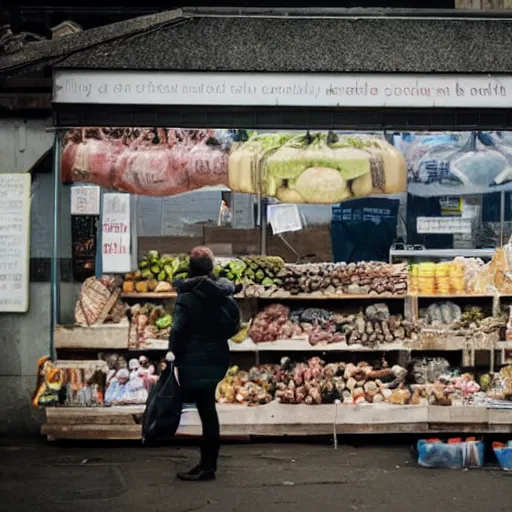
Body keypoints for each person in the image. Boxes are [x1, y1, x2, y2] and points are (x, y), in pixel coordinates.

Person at [166, 246, 241, 482]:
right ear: (211, 270)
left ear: (190, 270)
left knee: (204, 410)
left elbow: (177, 330)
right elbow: (234, 325)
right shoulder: (223, 295)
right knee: (208, 410)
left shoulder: (186, 298)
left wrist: (172, 354)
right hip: (217, 357)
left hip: (192, 358)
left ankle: (207, 466)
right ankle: (208, 462)